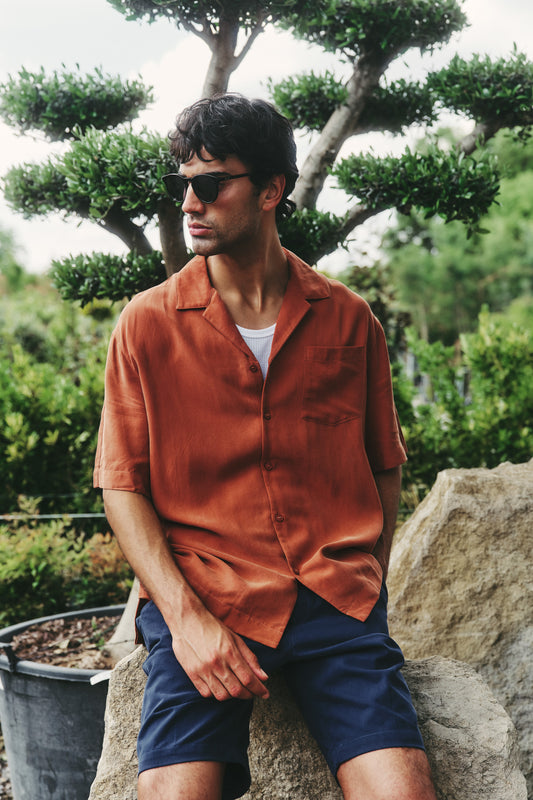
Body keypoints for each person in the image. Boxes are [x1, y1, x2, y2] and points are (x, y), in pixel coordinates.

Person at [94, 93, 437, 800]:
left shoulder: (349, 320)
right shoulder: (146, 325)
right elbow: (121, 485)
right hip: (207, 594)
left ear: (271, 189)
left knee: (403, 791)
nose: (189, 203)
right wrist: (187, 624)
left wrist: (366, 588)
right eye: (183, 183)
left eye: (212, 184)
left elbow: (383, 464)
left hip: (333, 599)